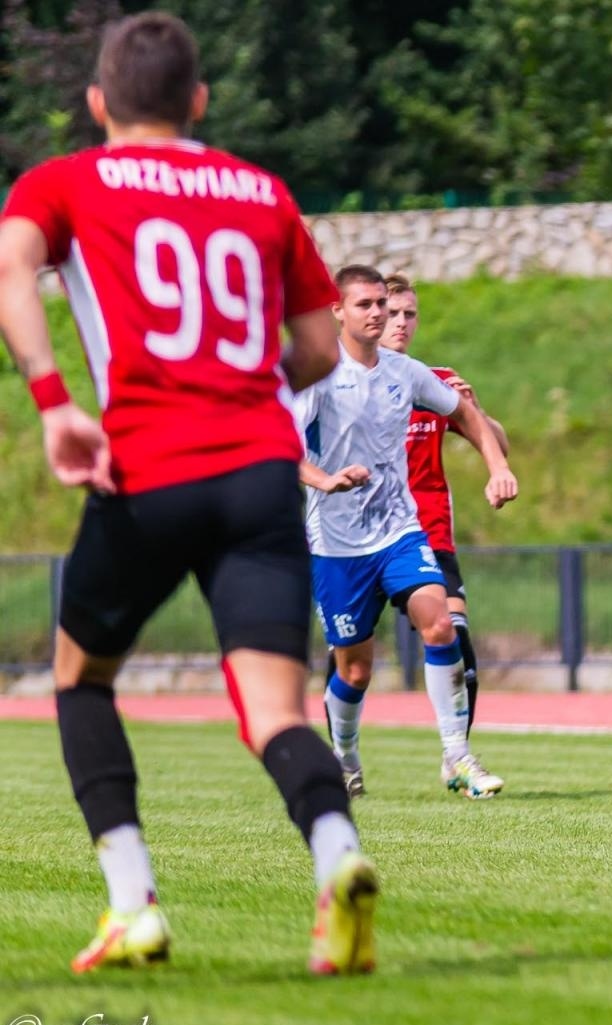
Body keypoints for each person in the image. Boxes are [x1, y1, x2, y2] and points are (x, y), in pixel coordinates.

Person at [0, 12, 378, 974]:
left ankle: (133, 905)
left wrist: (53, 402)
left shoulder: (66, 181)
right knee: (275, 709)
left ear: (96, 104)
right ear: (199, 101)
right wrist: (249, 392)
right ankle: (338, 857)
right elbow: (322, 344)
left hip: (147, 471)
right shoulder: (260, 190)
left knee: (82, 679)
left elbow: (11, 266)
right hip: (258, 474)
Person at [297, 265, 517, 801]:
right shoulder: (316, 377)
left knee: (440, 623)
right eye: (367, 305)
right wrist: (325, 480)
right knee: (354, 668)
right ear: (338, 312)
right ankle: (344, 757)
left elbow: (465, 412)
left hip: (401, 531)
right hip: (336, 545)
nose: (378, 314)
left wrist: (498, 469)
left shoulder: (407, 372)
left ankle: (458, 756)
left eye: (384, 304)